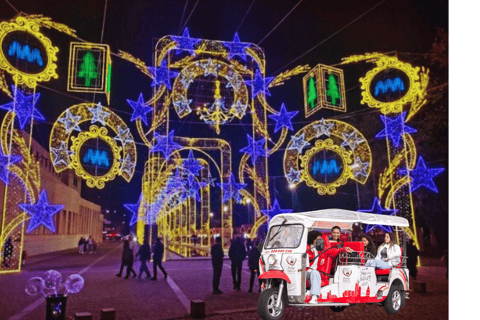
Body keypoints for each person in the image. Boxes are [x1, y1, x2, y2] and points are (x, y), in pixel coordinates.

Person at [306, 230, 353, 304]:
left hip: (313, 273)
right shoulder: (306, 248)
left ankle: (314, 296)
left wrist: (343, 249)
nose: (320, 240)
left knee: (315, 273)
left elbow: (332, 251)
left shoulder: (321, 248)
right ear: (313, 239)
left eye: (320, 238)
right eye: (318, 238)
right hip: (303, 272)